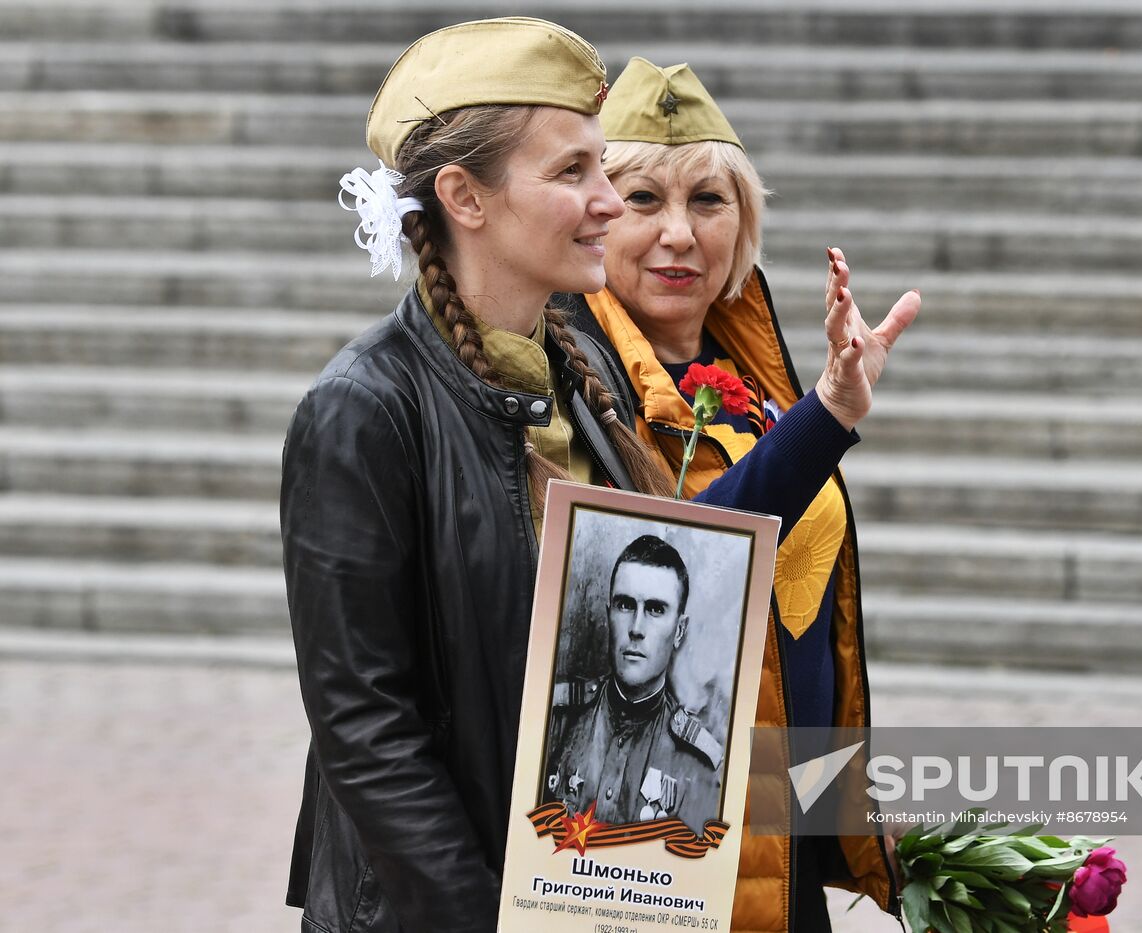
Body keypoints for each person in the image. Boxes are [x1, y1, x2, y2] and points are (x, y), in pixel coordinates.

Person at [281, 20, 918, 933]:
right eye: (573, 173)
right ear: (464, 195)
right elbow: (367, 730)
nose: (610, 205)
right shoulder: (365, 406)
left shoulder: (579, 381)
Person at [564, 58, 917, 932]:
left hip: (778, 841)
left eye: (709, 201)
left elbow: (804, 628)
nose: (679, 234)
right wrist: (828, 413)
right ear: (594, 214)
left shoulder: (756, 376)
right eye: (643, 199)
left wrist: (854, 827)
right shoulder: (574, 378)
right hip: (658, 850)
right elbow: (689, 557)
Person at [542, 534, 722, 835]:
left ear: (679, 630)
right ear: (608, 614)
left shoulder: (701, 760)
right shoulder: (556, 717)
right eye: (625, 605)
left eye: (655, 609)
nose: (636, 629)